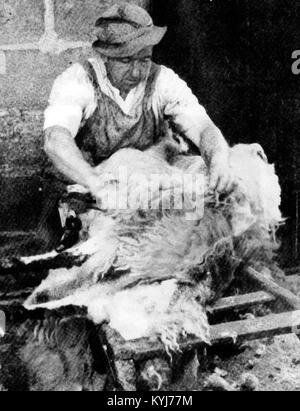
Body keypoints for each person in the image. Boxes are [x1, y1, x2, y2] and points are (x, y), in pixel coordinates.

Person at [43, 2, 234, 250]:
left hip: (142, 192)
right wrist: (98, 185)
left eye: (144, 59)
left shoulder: (163, 81)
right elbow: (55, 140)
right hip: (88, 195)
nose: (136, 71)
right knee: (97, 254)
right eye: (125, 60)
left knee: (189, 231)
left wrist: (218, 156)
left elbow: (204, 128)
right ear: (105, 56)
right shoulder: (78, 81)